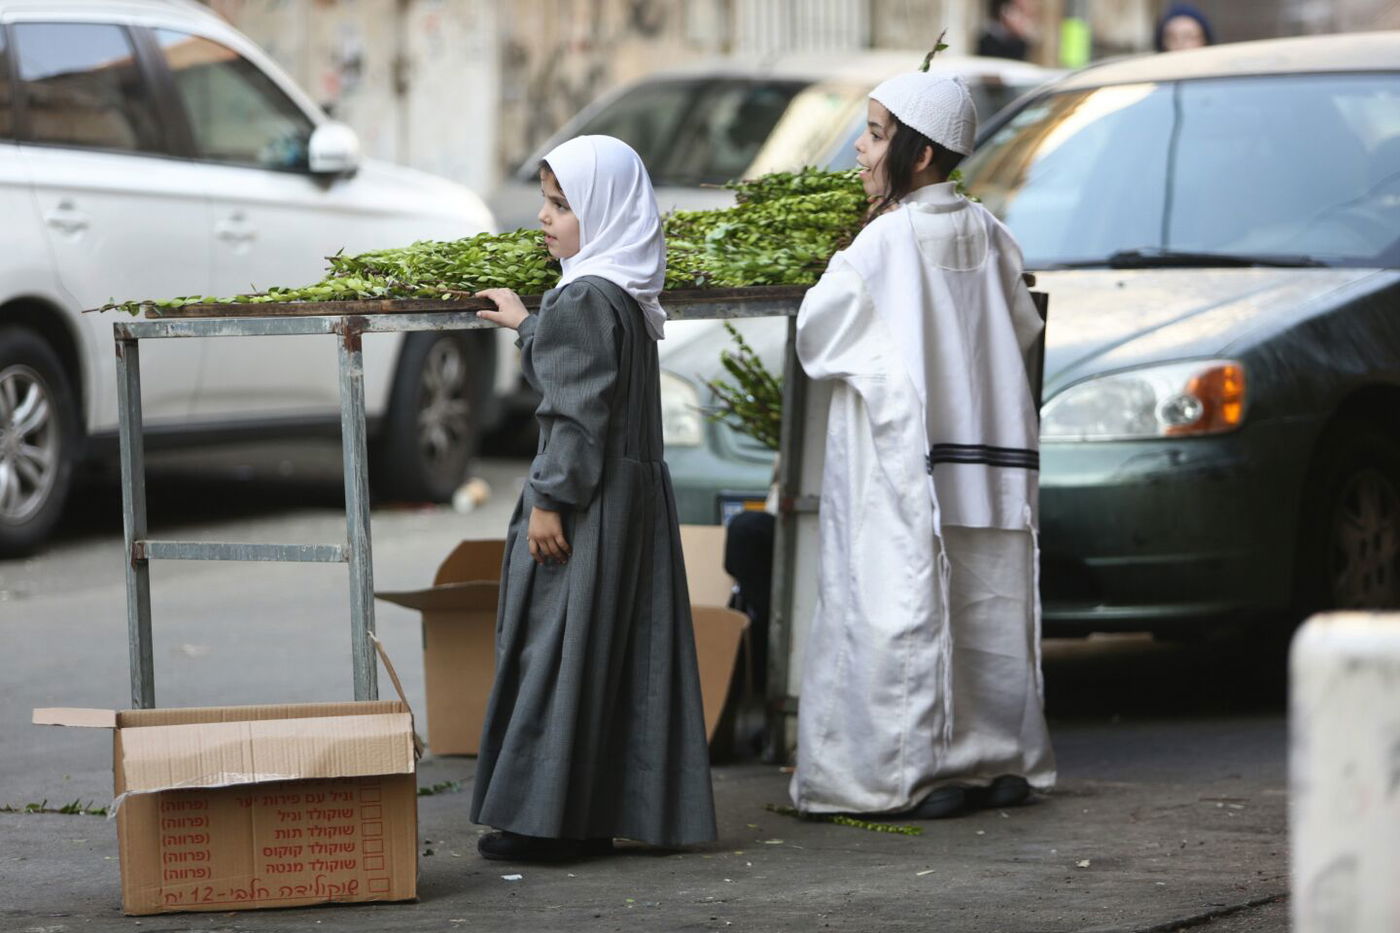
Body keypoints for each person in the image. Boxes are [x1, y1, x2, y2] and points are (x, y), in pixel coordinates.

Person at [789, 72, 1055, 820]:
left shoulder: (884, 242)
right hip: (990, 458)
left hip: (904, 463)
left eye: (875, 134)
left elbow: (818, 336)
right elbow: (1023, 328)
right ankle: (998, 760)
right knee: (987, 607)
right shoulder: (990, 232)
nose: (860, 147)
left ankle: (900, 776)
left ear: (921, 152)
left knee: (896, 604)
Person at [469, 134, 717, 861]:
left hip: (586, 503)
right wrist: (529, 326)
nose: (545, 217)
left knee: (556, 652)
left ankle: (545, 825)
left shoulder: (583, 295)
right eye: (546, 201)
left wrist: (550, 499)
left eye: (563, 204)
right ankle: (587, 813)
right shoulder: (623, 293)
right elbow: (584, 370)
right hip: (627, 503)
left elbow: (575, 415)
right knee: (609, 657)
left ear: (605, 212)